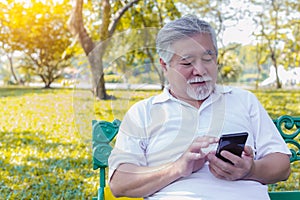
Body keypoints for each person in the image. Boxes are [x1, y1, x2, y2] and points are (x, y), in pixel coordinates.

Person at [108, 15, 291, 200]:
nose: (200, 70)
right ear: (165, 65)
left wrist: (250, 170)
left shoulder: (244, 101)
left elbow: (282, 166)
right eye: (187, 62)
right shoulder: (143, 113)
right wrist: (177, 168)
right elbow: (120, 183)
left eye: (207, 59)